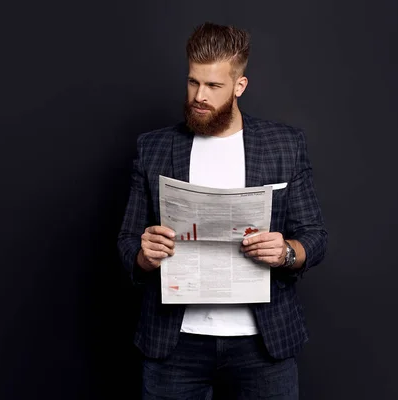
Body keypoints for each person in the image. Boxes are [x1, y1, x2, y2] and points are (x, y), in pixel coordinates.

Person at [117, 21, 327, 400]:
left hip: (263, 344)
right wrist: (143, 255)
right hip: (175, 344)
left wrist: (285, 252)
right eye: (193, 82)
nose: (200, 96)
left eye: (214, 86)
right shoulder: (154, 147)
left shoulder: (285, 144)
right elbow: (127, 241)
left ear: (239, 87)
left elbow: (315, 237)